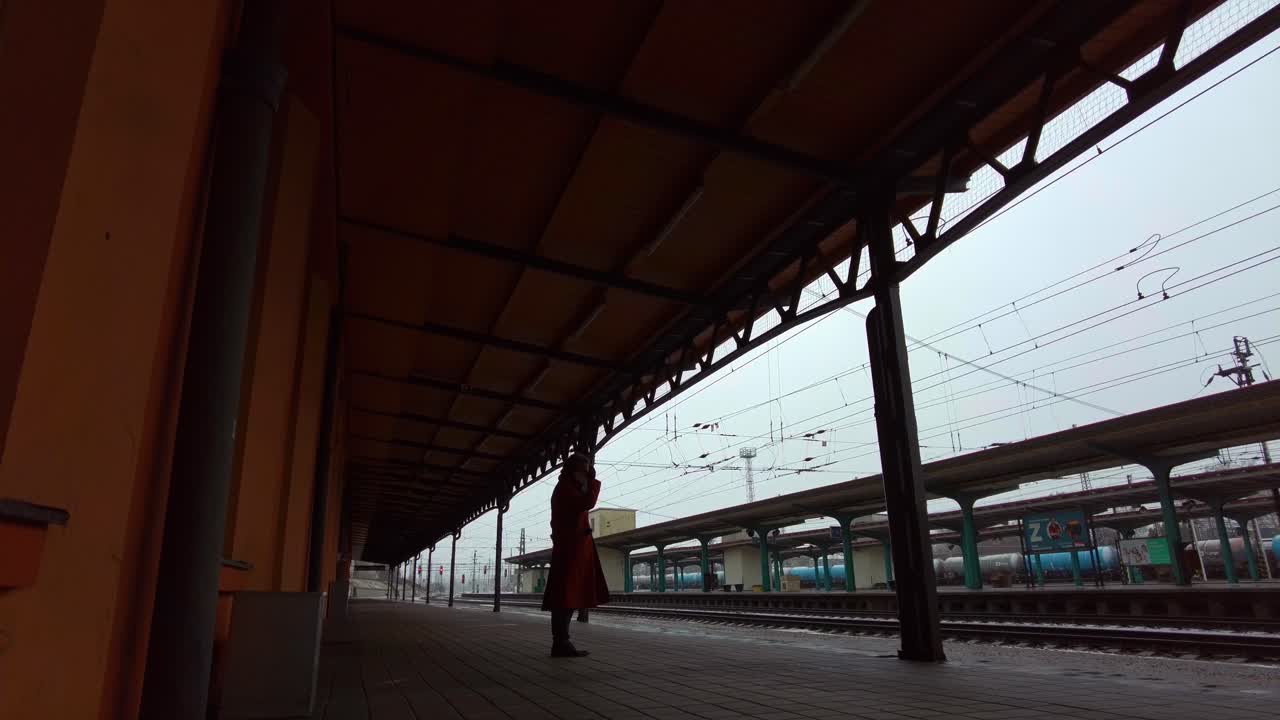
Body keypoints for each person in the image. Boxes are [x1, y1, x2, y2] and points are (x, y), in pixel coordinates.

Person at [540, 452, 610, 657]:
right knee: (566, 596)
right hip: (571, 549)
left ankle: (562, 641)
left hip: (573, 548)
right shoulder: (566, 488)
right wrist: (592, 482)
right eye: (585, 471)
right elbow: (587, 503)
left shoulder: (568, 486)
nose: (587, 475)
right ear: (575, 471)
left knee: (568, 596)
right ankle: (561, 642)